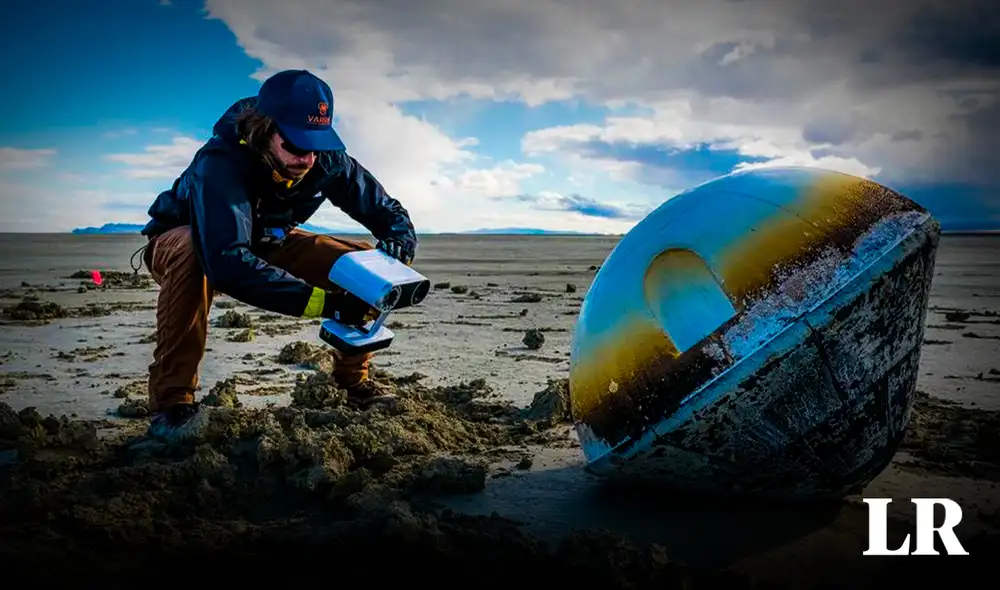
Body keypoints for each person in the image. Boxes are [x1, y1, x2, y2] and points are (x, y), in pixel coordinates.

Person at [135, 69, 418, 440]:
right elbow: (226, 261)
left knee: (364, 266)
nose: (308, 160)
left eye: (316, 145)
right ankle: (172, 404)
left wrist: (398, 247)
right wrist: (326, 305)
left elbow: (389, 213)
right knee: (193, 254)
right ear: (264, 128)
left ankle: (353, 384)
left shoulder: (328, 160)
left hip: (270, 238)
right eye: (298, 146)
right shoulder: (220, 161)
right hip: (190, 241)